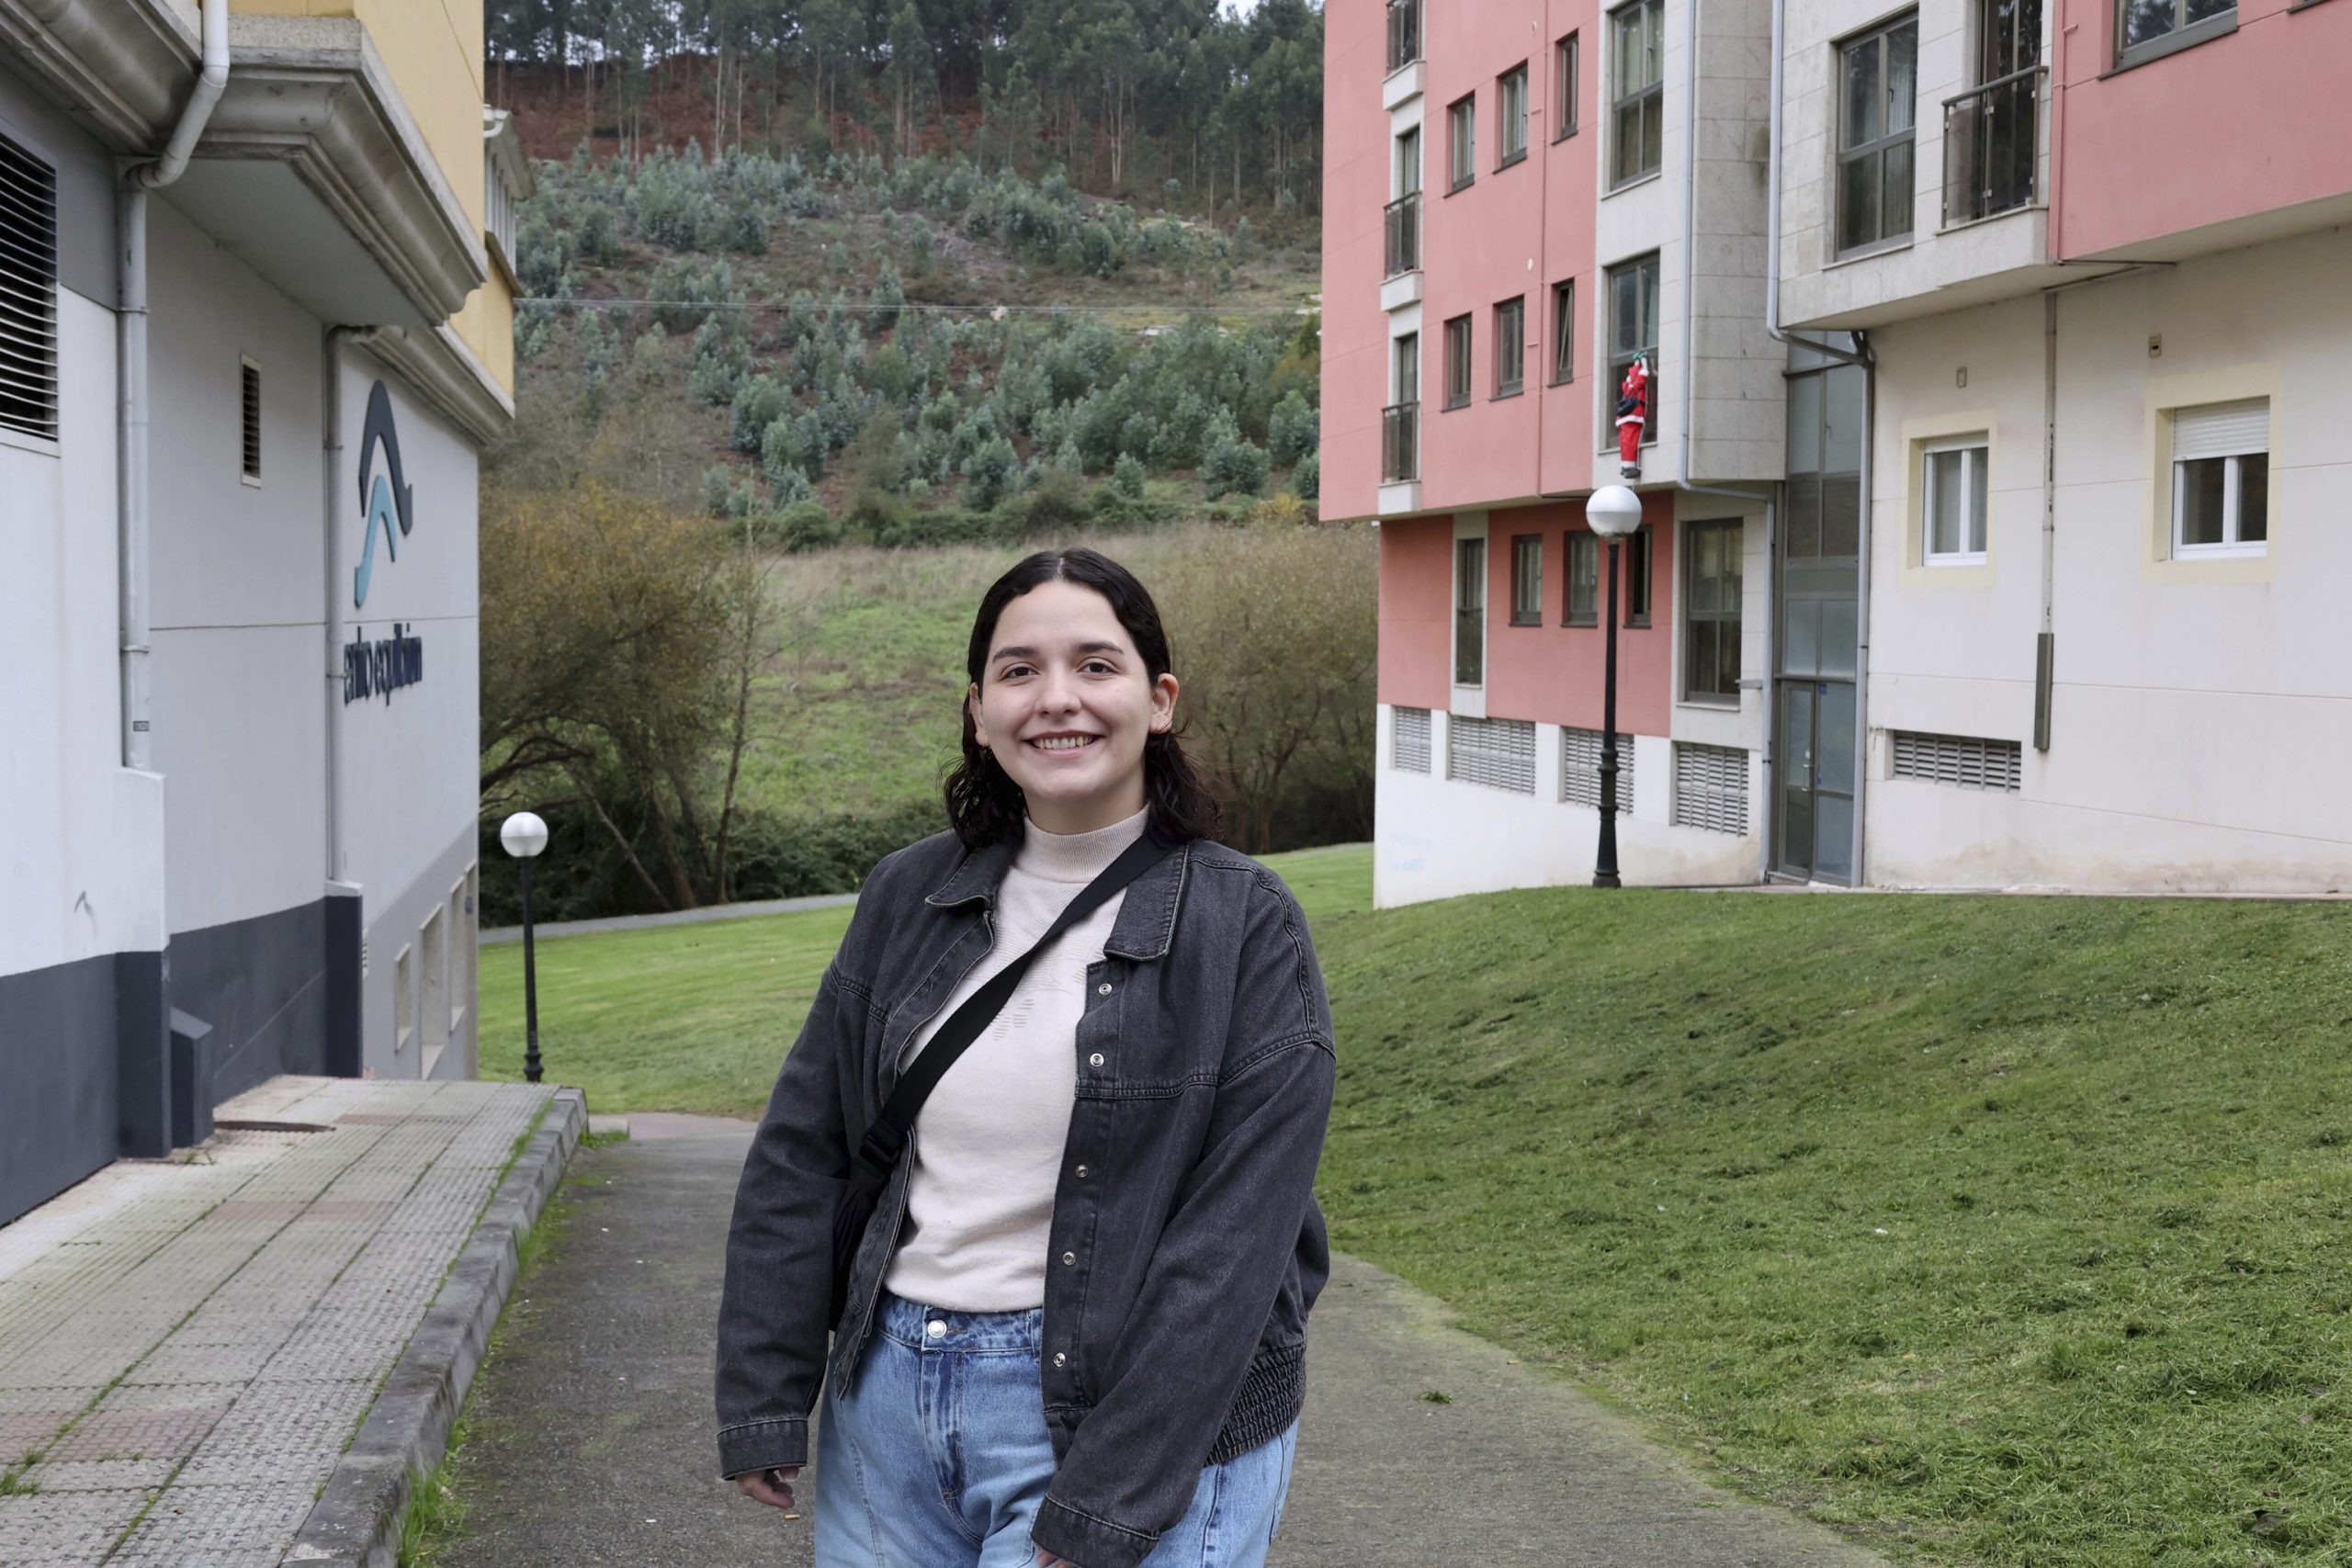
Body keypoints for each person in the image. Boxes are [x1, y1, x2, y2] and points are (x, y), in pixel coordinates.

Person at [715, 547, 1337, 1568]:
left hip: (1130, 1427)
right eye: (1018, 671)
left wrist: (1109, 1498)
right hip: (889, 1409)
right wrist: (765, 1390)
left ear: (1160, 700)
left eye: (1095, 665)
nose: (1056, 699)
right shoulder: (906, 894)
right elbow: (802, 1150)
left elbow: (1231, 1247)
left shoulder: (1246, 925)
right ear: (978, 711)